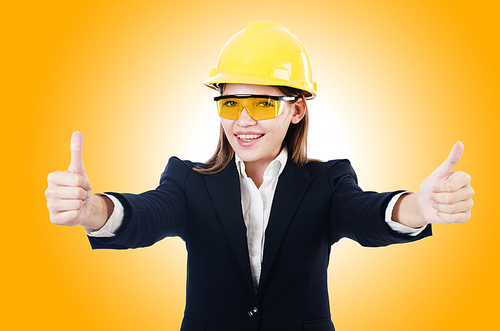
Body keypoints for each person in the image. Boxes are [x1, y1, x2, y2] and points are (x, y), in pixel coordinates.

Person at [45, 21, 474, 331]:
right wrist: (93, 210)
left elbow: (366, 213)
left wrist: (421, 205)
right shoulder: (188, 181)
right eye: (231, 104)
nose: (243, 120)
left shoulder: (327, 183)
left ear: (297, 109)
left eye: (263, 104)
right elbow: (146, 213)